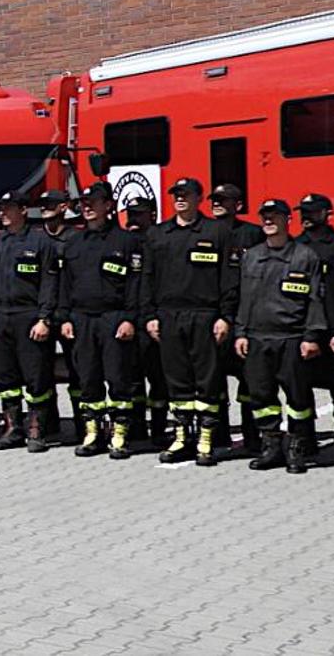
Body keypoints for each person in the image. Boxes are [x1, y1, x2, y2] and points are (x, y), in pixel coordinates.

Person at [142, 178, 240, 466]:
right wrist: (149, 316)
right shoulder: (159, 234)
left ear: (199, 198)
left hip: (205, 315)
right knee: (177, 380)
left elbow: (229, 279)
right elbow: (147, 279)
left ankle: (207, 438)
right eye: (176, 195)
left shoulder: (217, 231)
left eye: (186, 194)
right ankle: (183, 436)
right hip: (169, 316)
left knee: (207, 379)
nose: (180, 199)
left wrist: (225, 316)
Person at [236, 200, 326, 474]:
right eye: (265, 217)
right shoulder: (251, 256)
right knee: (262, 396)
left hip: (291, 337)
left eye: (274, 217)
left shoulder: (304, 256)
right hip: (258, 338)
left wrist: (311, 336)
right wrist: (241, 332)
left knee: (298, 398)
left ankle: (297, 447)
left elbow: (315, 300)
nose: (268, 221)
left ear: (288, 220)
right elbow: (244, 299)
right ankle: (271, 446)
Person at [56, 183, 145, 458]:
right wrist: (64, 318)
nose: (86, 207)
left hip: (114, 318)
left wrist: (130, 319)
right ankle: (93, 433)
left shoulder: (127, 241)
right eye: (83, 202)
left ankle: (120, 434)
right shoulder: (73, 242)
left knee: (118, 378)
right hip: (81, 318)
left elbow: (136, 284)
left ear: (108, 205)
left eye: (93, 202)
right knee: (88, 378)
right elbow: (64, 284)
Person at [0, 192, 61, 452]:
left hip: (28, 316)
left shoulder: (40, 242)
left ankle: (37, 430)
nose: (3, 213)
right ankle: (13, 428)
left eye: (9, 208)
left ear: (23, 210)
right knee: (4, 376)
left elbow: (49, 283)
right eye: (1, 208)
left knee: (36, 378)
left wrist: (44, 318)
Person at [210, 183, 268, 453]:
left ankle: (252, 435)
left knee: (249, 379)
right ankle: (218, 434)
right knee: (213, 378)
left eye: (224, 200)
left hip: (245, 316)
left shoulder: (252, 234)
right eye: (215, 200)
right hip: (214, 316)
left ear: (238, 205)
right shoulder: (205, 232)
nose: (218, 204)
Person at [295, 194, 334, 478]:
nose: (307, 216)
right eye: (304, 212)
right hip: (303, 333)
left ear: (327, 213)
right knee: (299, 391)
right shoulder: (294, 248)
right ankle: (305, 444)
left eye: (313, 212)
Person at [121, 196, 167, 442]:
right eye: (130, 214)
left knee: (158, 378)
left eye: (139, 214)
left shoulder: (160, 240)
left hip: (152, 320)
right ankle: (137, 426)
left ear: (152, 215)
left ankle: (159, 429)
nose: (133, 219)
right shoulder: (124, 242)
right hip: (129, 320)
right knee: (132, 379)